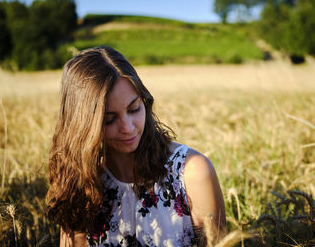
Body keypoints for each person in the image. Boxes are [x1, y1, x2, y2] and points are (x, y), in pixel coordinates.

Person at [46, 46, 226, 247]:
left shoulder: (191, 173)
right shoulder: (80, 184)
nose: (128, 128)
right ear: (82, 126)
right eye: (109, 120)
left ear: (145, 102)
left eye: (134, 109)